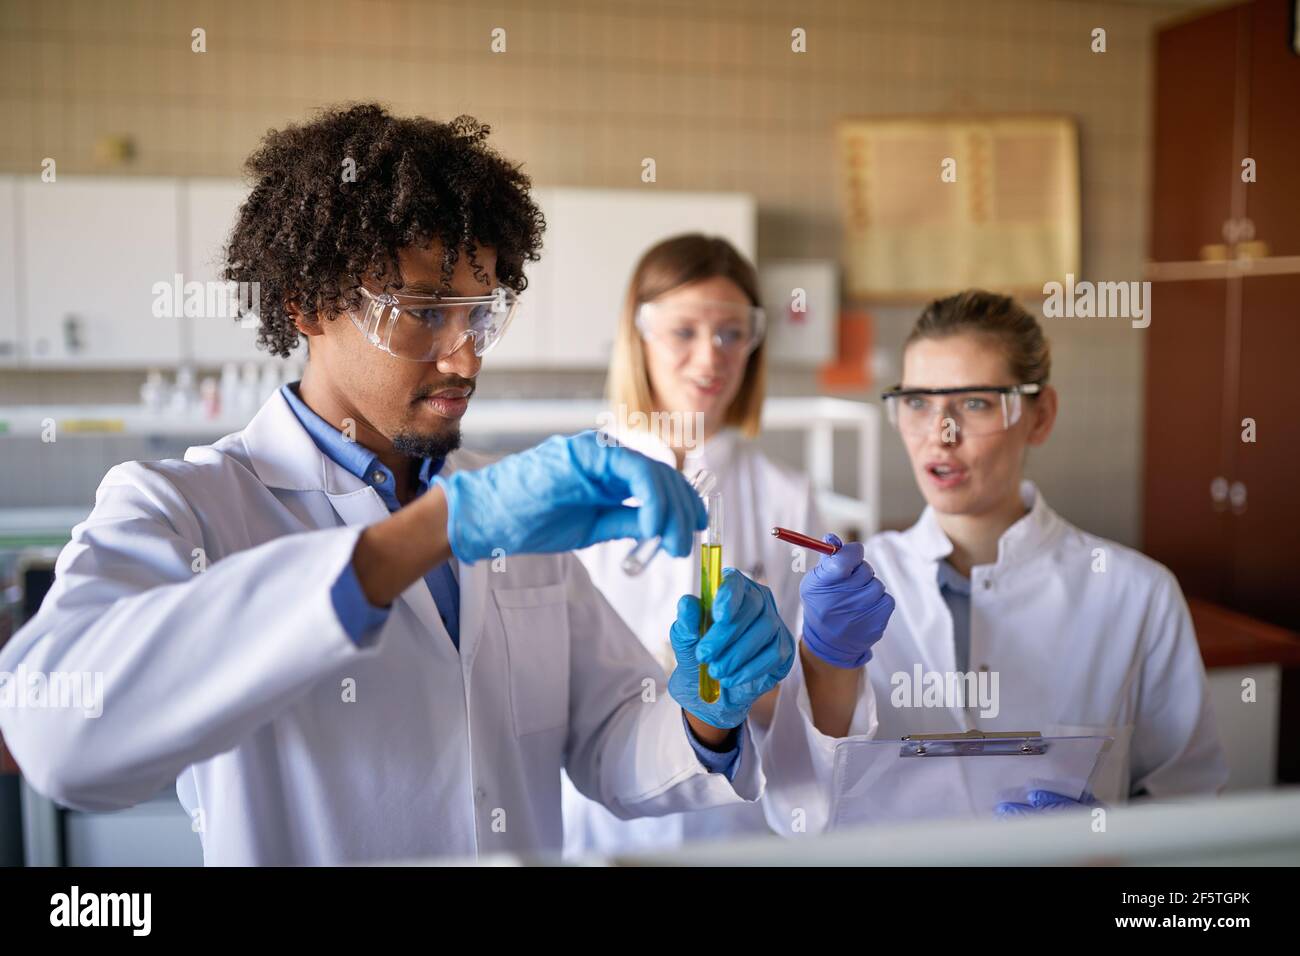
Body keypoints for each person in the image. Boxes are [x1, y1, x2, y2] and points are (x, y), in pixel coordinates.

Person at [0, 105, 798, 865]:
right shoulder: (188, 506)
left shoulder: (508, 506)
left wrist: (706, 711)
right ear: (307, 305)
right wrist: (430, 534)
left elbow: (611, 744)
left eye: (481, 313)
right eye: (422, 311)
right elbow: (61, 739)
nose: (466, 358)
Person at [762, 290, 1228, 833]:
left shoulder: (1136, 593)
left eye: (975, 403)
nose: (941, 434)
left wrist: (1114, 841)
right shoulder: (847, 596)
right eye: (917, 403)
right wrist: (826, 667)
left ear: (1040, 415)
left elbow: (1192, 800)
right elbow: (796, 810)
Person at [561, 234, 894, 856]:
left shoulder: (788, 500)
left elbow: (806, 706)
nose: (710, 358)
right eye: (684, 331)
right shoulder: (582, 483)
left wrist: (757, 683)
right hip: (600, 822)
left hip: (734, 825)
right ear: (639, 335)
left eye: (731, 333)